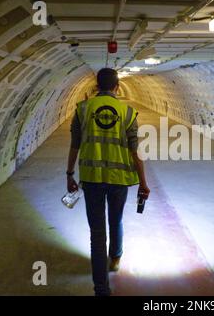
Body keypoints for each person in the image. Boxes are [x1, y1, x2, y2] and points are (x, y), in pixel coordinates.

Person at [66, 68, 150, 296]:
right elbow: (135, 151)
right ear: (117, 86)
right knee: (116, 220)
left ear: (96, 85)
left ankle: (101, 289)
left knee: (97, 233)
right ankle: (115, 259)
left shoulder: (83, 109)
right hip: (118, 179)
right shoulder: (127, 111)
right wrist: (143, 182)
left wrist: (69, 174)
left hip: (91, 179)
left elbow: (75, 144)